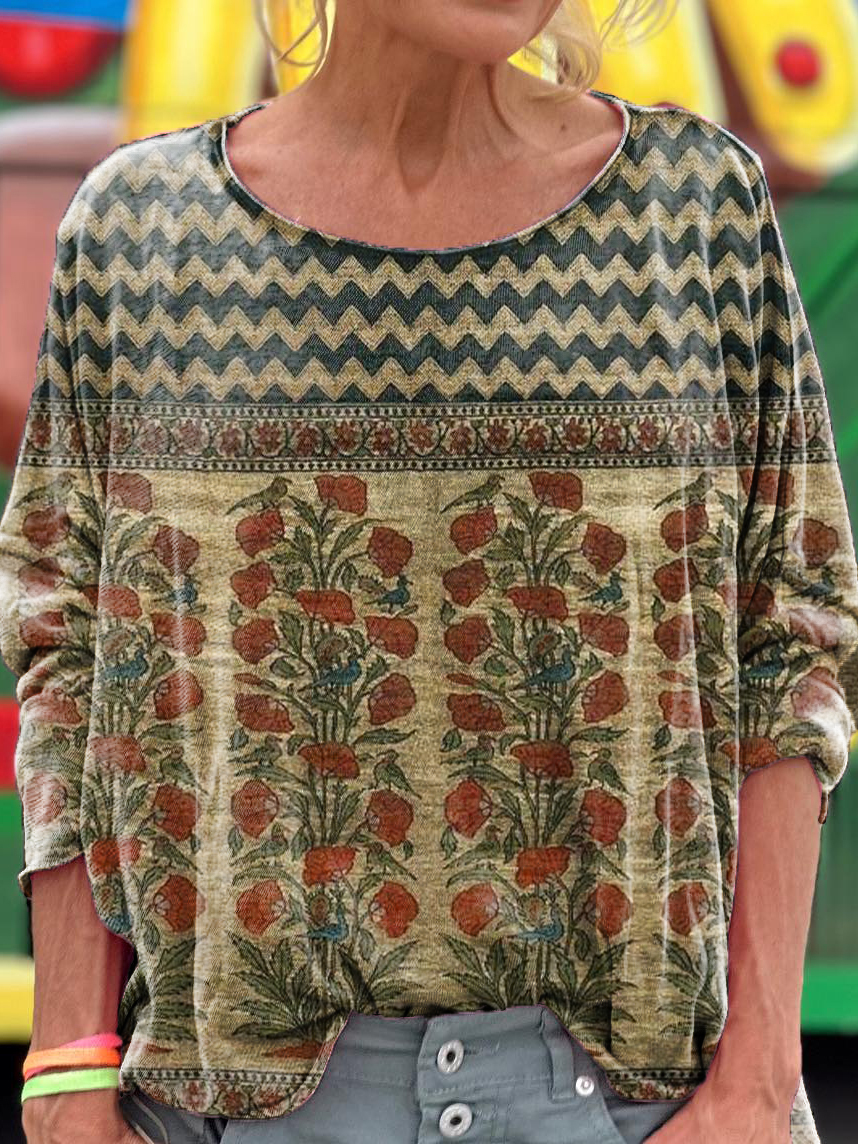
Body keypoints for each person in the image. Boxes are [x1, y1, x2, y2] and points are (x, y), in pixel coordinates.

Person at [2, 2, 857, 1143]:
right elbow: (68, 652)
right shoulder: (141, 231)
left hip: (636, 1112)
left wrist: (757, 1082)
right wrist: (65, 1073)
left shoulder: (695, 212)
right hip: (224, 1110)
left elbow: (790, 638)